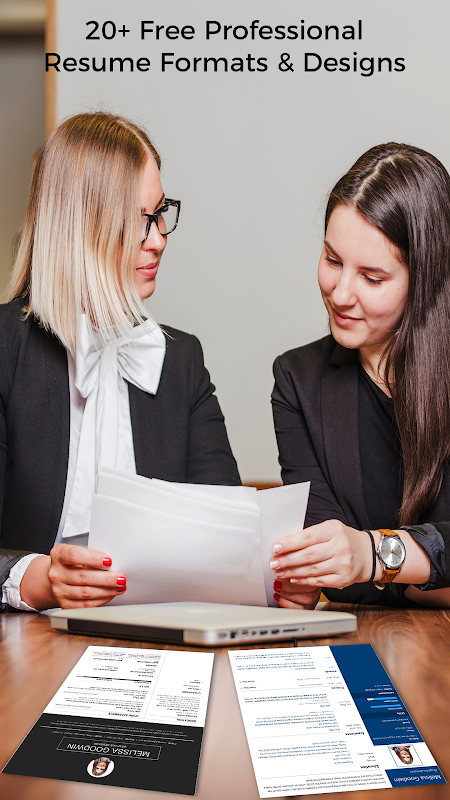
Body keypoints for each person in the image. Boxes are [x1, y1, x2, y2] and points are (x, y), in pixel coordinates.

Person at [0, 111, 240, 612]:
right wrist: (38, 580)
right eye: (137, 220)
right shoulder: (5, 351)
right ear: (77, 227)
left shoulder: (180, 361)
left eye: (161, 213)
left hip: (159, 634)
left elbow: (228, 534)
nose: (158, 238)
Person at [270, 142, 450, 609]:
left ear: (426, 279)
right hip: (367, 637)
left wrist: (371, 555)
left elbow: (353, 567)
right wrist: (424, 564)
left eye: (372, 277)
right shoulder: (298, 380)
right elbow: (334, 574)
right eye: (333, 260)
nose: (340, 294)